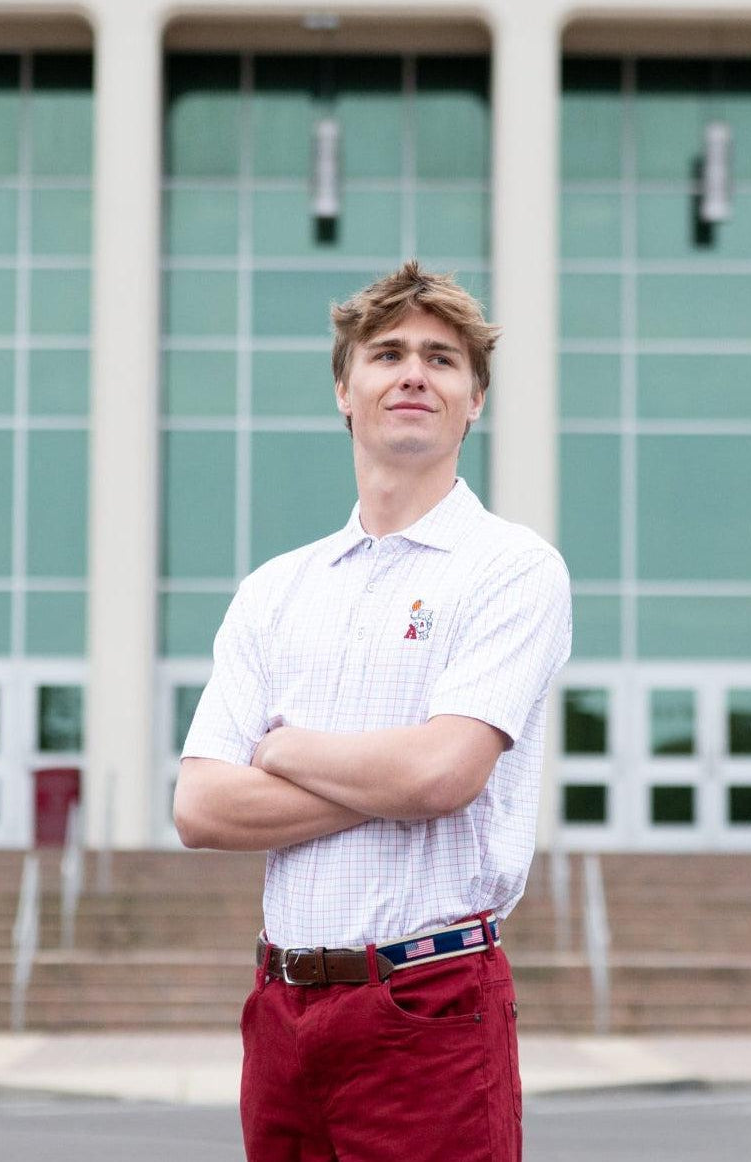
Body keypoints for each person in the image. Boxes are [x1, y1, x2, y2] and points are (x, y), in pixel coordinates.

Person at [174, 261, 572, 1162]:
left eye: (442, 358)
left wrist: (285, 750)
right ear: (344, 391)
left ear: (476, 400)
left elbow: (444, 774)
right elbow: (200, 808)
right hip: (280, 1011)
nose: (413, 374)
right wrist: (403, 780)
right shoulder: (276, 590)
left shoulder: (512, 568)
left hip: (427, 1004)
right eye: (387, 353)